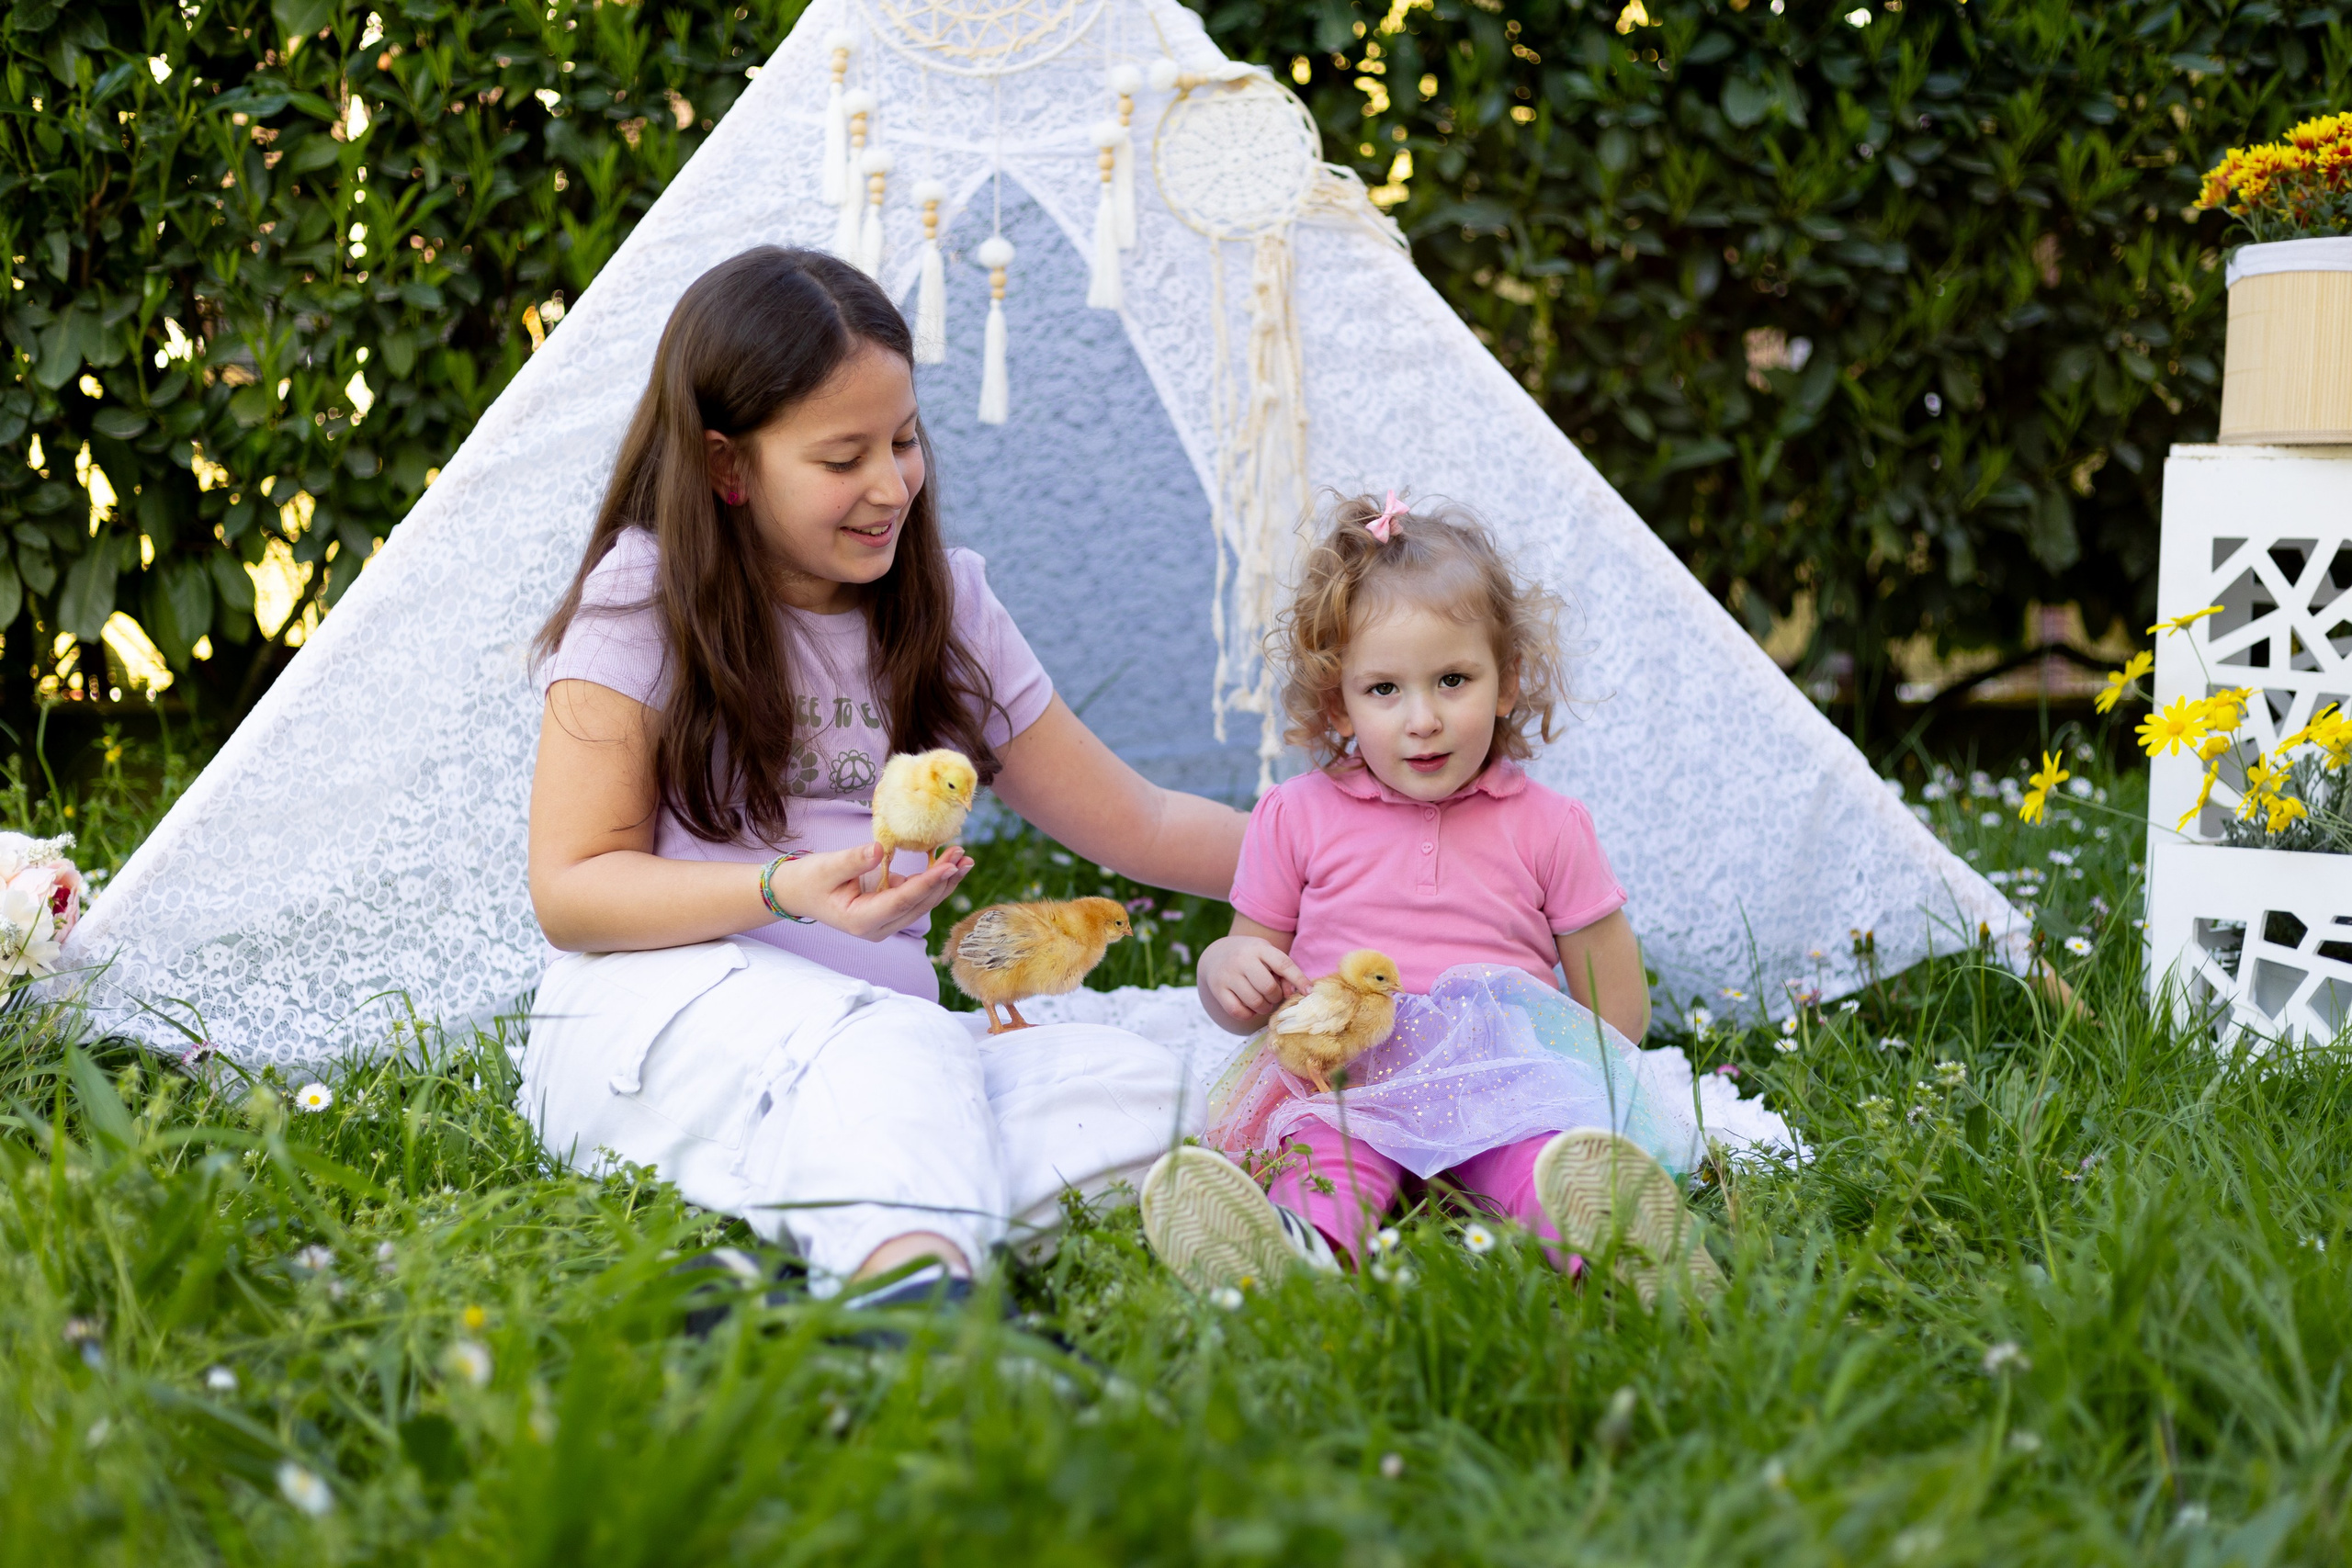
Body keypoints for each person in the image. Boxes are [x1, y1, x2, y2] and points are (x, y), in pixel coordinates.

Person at [520, 246, 1246, 1303]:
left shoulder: (945, 610)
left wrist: (1349, 862)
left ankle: (822, 1261)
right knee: (894, 1051)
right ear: (728, 467)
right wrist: (779, 890)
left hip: (895, 1065)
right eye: (841, 457)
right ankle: (919, 1317)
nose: (889, 486)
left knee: (1178, 1079)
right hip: (664, 1014)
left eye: (904, 442)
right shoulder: (646, 598)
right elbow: (572, 888)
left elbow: (1136, 819)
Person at [1139, 493, 1721, 1306]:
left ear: (1507, 681)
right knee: (1329, 1157)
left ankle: (1608, 1237)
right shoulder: (1295, 816)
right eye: (1384, 689)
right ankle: (1294, 1253)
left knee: (1536, 1153)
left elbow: (1615, 1011)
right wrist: (1225, 966)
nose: (1423, 719)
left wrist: (1566, 1082)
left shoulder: (1549, 827)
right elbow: (1249, 979)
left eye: (1453, 679)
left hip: (1497, 1082)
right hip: (1347, 1077)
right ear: (1338, 700)